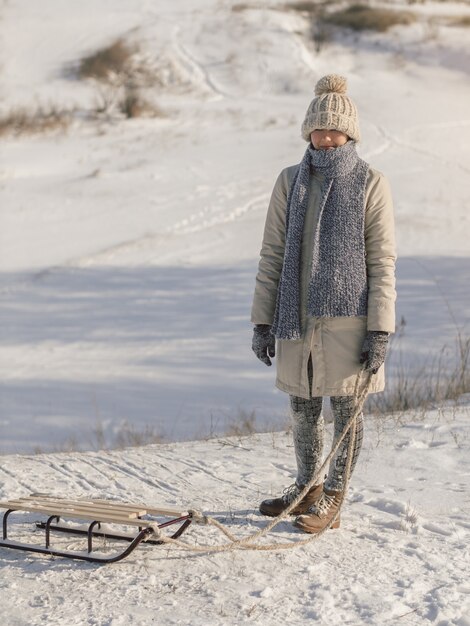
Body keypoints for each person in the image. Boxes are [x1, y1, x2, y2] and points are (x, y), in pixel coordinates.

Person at [251, 74, 396, 534]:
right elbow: (272, 252)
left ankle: (333, 497)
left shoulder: (371, 182)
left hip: (347, 321)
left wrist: (380, 330)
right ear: (308, 132)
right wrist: (262, 320)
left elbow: (382, 261)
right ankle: (307, 486)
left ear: (350, 133)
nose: (327, 138)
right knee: (302, 410)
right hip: (295, 317)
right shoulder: (290, 180)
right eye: (319, 129)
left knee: (346, 415)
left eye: (336, 130)